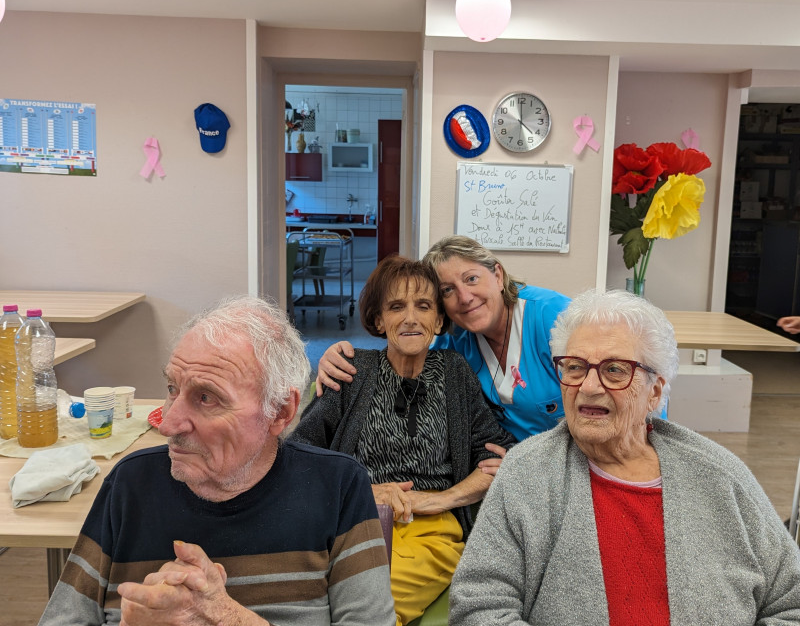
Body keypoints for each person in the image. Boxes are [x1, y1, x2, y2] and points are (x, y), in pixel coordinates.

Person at [449, 288, 800, 626]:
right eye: (574, 367)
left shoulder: (721, 475)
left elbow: (791, 602)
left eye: (615, 369)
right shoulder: (526, 474)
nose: (588, 386)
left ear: (655, 393)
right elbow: (479, 604)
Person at [39, 296, 395, 626]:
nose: (170, 424)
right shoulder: (132, 483)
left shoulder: (337, 485)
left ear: (281, 412)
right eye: (172, 389)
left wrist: (227, 618)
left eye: (207, 397)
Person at [290, 256, 516, 626]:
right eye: (397, 306)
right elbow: (297, 458)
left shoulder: (455, 373)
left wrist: (440, 499)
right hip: (350, 526)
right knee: (310, 599)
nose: (411, 318)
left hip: (431, 532)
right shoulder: (352, 371)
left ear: (439, 320)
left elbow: (497, 457)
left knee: (372, 605)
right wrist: (364, 491)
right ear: (380, 320)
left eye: (423, 306)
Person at [316, 235, 570, 441]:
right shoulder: (455, 341)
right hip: (509, 459)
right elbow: (409, 354)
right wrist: (337, 357)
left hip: (573, 457)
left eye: (471, 279)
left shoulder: (554, 317)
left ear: (498, 275)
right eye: (447, 290)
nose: (464, 297)